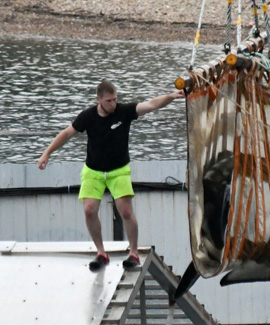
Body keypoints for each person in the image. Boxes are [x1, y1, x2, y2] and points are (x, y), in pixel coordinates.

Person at [37, 80, 184, 271]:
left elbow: (151, 104)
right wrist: (46, 153)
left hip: (118, 171)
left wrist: (172, 96)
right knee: (89, 210)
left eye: (115, 99)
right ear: (98, 99)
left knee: (126, 212)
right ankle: (101, 252)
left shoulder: (124, 111)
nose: (113, 104)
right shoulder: (88, 116)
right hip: (93, 171)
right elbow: (66, 134)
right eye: (108, 101)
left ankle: (133, 253)